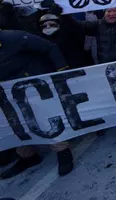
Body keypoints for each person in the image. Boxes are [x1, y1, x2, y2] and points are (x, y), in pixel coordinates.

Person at [0, 28, 72, 178]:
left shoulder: (15, 37)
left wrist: (62, 71)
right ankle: (28, 156)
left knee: (45, 118)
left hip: (31, 84)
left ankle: (62, 151)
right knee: (13, 123)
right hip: (6, 91)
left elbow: (49, 47)